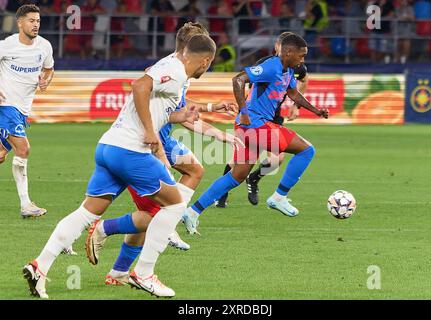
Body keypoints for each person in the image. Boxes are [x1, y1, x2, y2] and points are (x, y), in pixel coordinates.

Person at [23, 34, 217, 299]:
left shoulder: (169, 67)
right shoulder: (175, 70)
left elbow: (151, 101)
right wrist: (150, 132)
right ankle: (144, 273)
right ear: (206, 60)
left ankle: (39, 267)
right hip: (130, 150)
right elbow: (138, 87)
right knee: (173, 203)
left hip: (109, 147)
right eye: (210, 64)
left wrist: (179, 116)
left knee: (85, 213)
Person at [100, 22, 243, 286]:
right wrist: (218, 133)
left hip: (157, 137)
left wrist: (213, 108)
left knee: (190, 175)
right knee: (154, 209)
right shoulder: (172, 70)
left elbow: (180, 110)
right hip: (150, 141)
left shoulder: (177, 69)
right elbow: (175, 114)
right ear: (189, 48)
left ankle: (122, 263)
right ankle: (105, 232)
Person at [182, 34, 328, 236]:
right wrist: (243, 111)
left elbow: (293, 94)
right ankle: (279, 196)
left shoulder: (288, 70)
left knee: (237, 175)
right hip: (255, 125)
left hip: (250, 127)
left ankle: (193, 211)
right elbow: (238, 79)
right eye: (301, 56)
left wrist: (315, 110)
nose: (303, 60)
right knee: (306, 150)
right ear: (288, 52)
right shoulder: (271, 66)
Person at [215, 31, 309, 208]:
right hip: (256, 117)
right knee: (236, 160)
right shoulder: (265, 64)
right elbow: (247, 86)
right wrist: (245, 111)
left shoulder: (297, 66)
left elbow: (304, 79)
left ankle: (254, 178)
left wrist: (296, 106)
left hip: (275, 116)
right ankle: (222, 194)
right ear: (278, 48)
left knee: (277, 160)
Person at [0, 4, 53, 218]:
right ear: (19, 23)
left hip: (23, 108)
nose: (36, 25)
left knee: (2, 153)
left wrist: (45, 80)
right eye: (31, 21)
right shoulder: (6, 46)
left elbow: (49, 69)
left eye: (38, 21)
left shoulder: (45, 46)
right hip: (6, 105)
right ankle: (26, 205)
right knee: (23, 149)